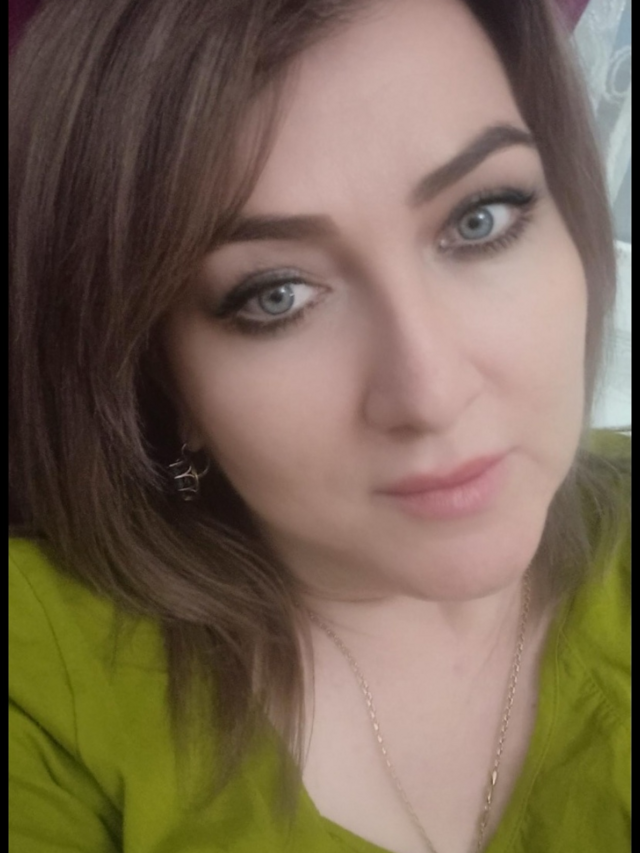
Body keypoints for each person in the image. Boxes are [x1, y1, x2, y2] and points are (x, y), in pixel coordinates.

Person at [9, 0, 630, 851]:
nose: (432, 394)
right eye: (277, 295)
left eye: (479, 219)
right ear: (160, 379)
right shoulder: (40, 672)